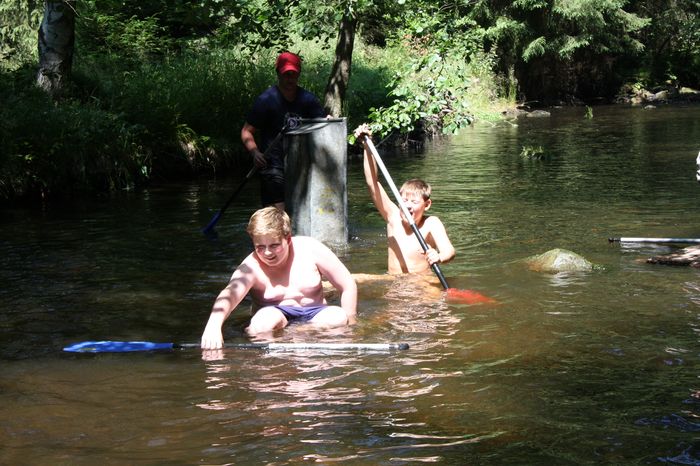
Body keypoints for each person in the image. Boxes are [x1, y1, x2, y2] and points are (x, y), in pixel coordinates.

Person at [201, 207, 357, 349]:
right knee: (264, 322)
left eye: (274, 245)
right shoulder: (250, 267)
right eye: (260, 247)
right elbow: (229, 294)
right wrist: (213, 326)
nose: (267, 253)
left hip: (316, 315)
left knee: (338, 316)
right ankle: (277, 354)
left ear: (288, 239)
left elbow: (347, 284)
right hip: (273, 317)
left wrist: (352, 324)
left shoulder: (311, 249)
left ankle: (299, 336)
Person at [353, 124, 456, 275]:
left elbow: (449, 251)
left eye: (414, 202)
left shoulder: (431, 223)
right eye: (404, 201)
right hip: (393, 280)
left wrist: (439, 257)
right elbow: (372, 183)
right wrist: (367, 146)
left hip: (421, 282)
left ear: (427, 204)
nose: (407, 206)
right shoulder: (392, 216)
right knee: (349, 280)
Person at [241, 51, 327, 210]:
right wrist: (255, 153)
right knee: (276, 216)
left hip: (300, 166)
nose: (290, 79)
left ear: (299, 74)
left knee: (299, 214)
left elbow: (323, 127)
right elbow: (246, 131)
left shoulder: (308, 100)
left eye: (293, 74)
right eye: (286, 74)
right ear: (278, 73)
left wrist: (329, 122)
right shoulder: (266, 100)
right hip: (272, 165)